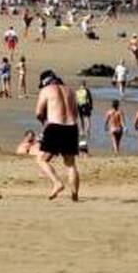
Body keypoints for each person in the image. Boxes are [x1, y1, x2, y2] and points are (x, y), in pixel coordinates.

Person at [33, 70, 80, 201]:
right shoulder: (70, 90)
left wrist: (44, 122)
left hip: (55, 125)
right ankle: (75, 195)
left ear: (44, 82)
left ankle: (57, 183)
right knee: (70, 164)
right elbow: (75, 113)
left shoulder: (46, 90)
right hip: (71, 126)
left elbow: (38, 112)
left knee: (42, 159)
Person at [75, 80, 94, 154]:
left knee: (81, 118)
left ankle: (81, 130)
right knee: (87, 118)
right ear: (84, 84)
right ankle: (87, 130)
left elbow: (76, 99)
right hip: (85, 105)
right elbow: (90, 98)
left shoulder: (78, 91)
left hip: (79, 105)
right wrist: (91, 106)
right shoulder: (86, 90)